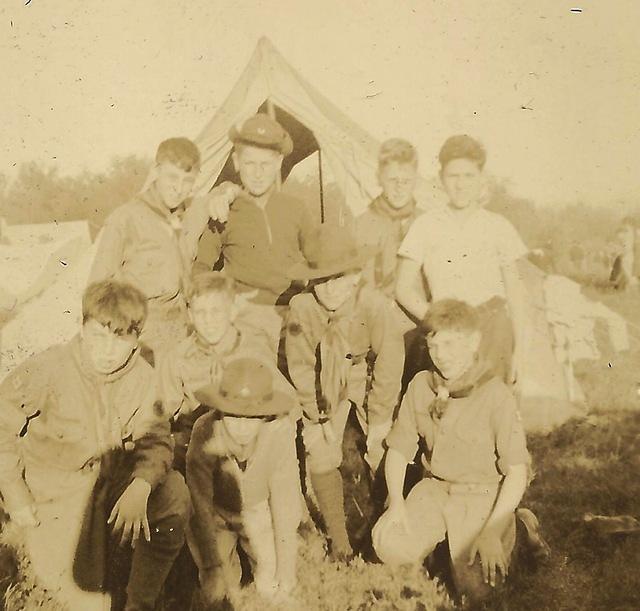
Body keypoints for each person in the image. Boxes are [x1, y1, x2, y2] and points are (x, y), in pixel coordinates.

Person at [0, 280, 191, 611]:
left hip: (111, 482)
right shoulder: (51, 367)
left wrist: (142, 484)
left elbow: (157, 437)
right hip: (57, 492)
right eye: (98, 337)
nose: (106, 351)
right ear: (83, 329)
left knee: (174, 493)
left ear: (135, 341)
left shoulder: (142, 376)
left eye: (119, 341)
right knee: (90, 600)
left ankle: (141, 601)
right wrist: (15, 492)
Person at [372, 299, 545, 605]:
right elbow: (398, 450)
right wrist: (397, 502)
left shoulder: (495, 394)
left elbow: (517, 471)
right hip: (435, 489)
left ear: (474, 342)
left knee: (479, 587)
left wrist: (492, 532)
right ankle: (444, 546)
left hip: (482, 494)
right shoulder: (421, 385)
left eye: (452, 345)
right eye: (435, 346)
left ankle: (518, 526)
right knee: (389, 543)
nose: (443, 356)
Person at [285, 222, 405, 560]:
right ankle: (340, 540)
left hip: (363, 374)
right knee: (319, 448)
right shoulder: (302, 308)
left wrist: (379, 416)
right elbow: (301, 366)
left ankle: (387, 525)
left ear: (355, 275)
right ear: (311, 281)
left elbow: (389, 360)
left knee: (383, 446)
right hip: (324, 382)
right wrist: (318, 414)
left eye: (340, 277)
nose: (332, 288)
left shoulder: (373, 304)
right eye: (322, 280)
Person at [395, 135, 528, 383]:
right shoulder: (425, 225)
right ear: (441, 180)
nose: (461, 185)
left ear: (481, 179)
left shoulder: (499, 226)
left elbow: (516, 294)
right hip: (446, 330)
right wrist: (438, 320)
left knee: (491, 404)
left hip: (491, 328)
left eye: (469, 176)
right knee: (450, 406)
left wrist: (520, 350)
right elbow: (402, 288)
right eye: (453, 176)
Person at [89, 137, 227, 362]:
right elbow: (96, 289)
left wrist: (224, 195)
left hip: (182, 326)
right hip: (142, 330)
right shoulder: (126, 218)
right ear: (156, 170)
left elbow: (229, 188)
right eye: (172, 177)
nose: (178, 188)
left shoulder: (193, 211)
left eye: (187, 181)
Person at [194, 113, 319, 348]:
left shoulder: (296, 209)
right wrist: (220, 300)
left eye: (266, 164)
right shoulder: (224, 209)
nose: (258, 173)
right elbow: (201, 266)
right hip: (241, 318)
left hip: (289, 317)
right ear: (237, 162)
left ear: (279, 162)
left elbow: (320, 262)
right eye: (250, 163)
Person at [186, 357, 302, 606]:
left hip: (260, 510)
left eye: (251, 417)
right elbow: (200, 504)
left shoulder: (279, 433)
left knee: (272, 587)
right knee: (216, 591)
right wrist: (212, 565)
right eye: (233, 416)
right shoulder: (204, 431)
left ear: (265, 416)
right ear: (219, 410)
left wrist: (285, 572)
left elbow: (284, 505)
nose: (241, 427)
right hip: (217, 513)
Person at [157, 271, 290, 472]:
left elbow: (285, 401)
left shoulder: (253, 350)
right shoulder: (178, 358)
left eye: (216, 311)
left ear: (232, 312)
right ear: (190, 316)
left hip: (246, 445)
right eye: (201, 313)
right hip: (199, 446)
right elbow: (161, 412)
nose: (209, 320)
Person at [356, 138, 424, 298]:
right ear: (379, 178)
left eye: (406, 181)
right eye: (392, 180)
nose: (399, 188)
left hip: (413, 317)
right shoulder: (360, 225)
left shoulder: (426, 223)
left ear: (416, 180)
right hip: (368, 315)